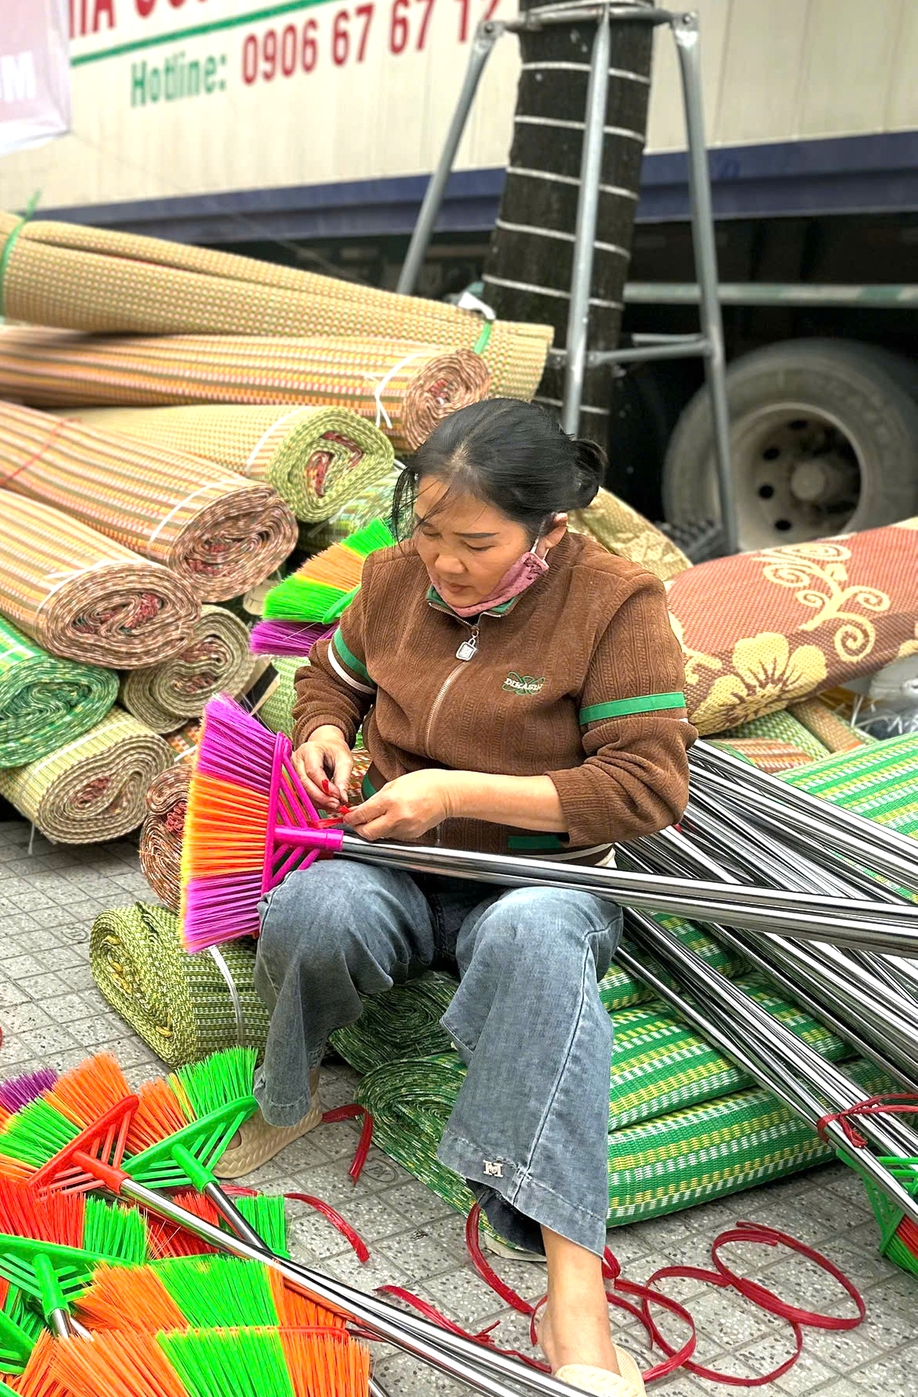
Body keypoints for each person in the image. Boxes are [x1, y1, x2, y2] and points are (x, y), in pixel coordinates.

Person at [247, 399, 694, 1396]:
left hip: (539, 874)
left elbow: (643, 787)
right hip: (394, 862)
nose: (444, 562)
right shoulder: (394, 577)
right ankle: (287, 1087)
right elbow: (330, 677)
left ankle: (571, 1283)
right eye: (429, 532)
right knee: (315, 912)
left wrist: (455, 791)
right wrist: (321, 733)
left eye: (476, 542)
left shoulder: (614, 604)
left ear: (550, 530)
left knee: (535, 940)